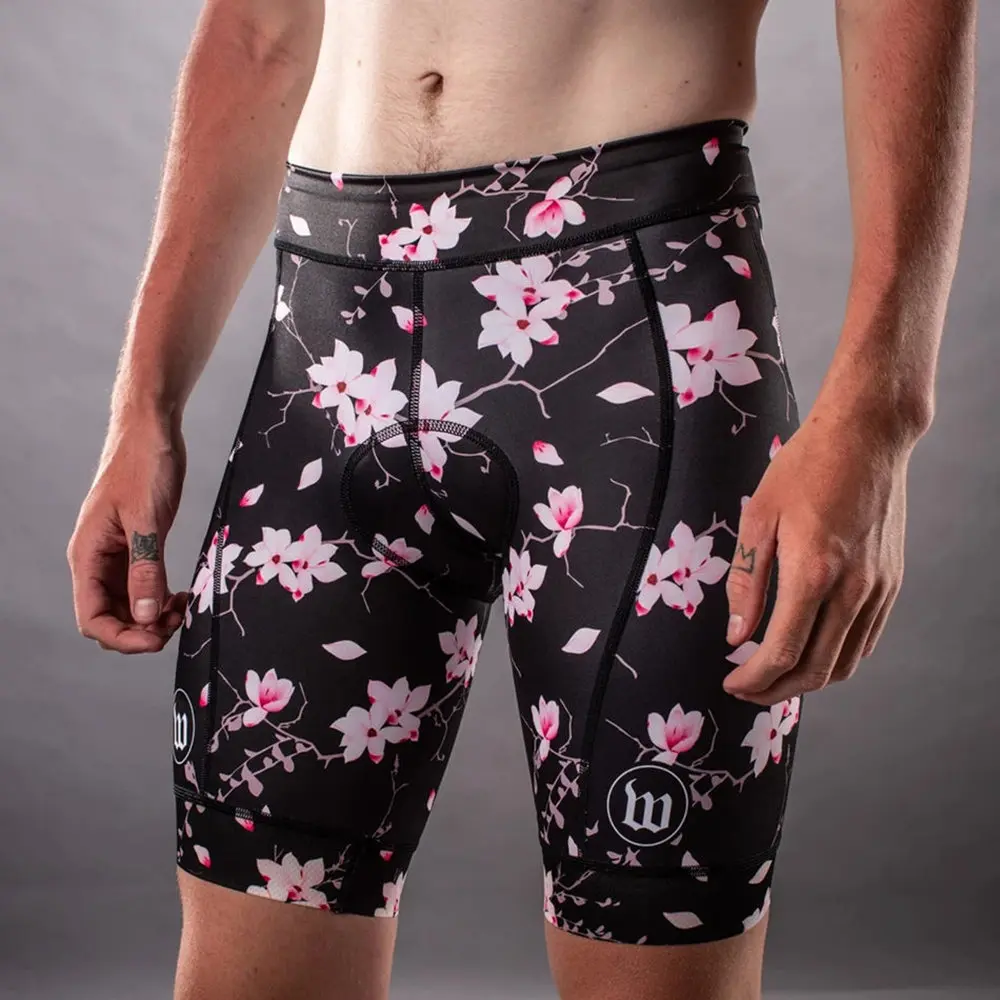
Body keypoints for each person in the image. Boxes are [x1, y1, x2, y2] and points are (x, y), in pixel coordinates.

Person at [66, 1, 976, 998]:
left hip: (634, 326)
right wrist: (143, 403)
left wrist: (882, 410)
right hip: (330, 343)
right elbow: (255, 29)